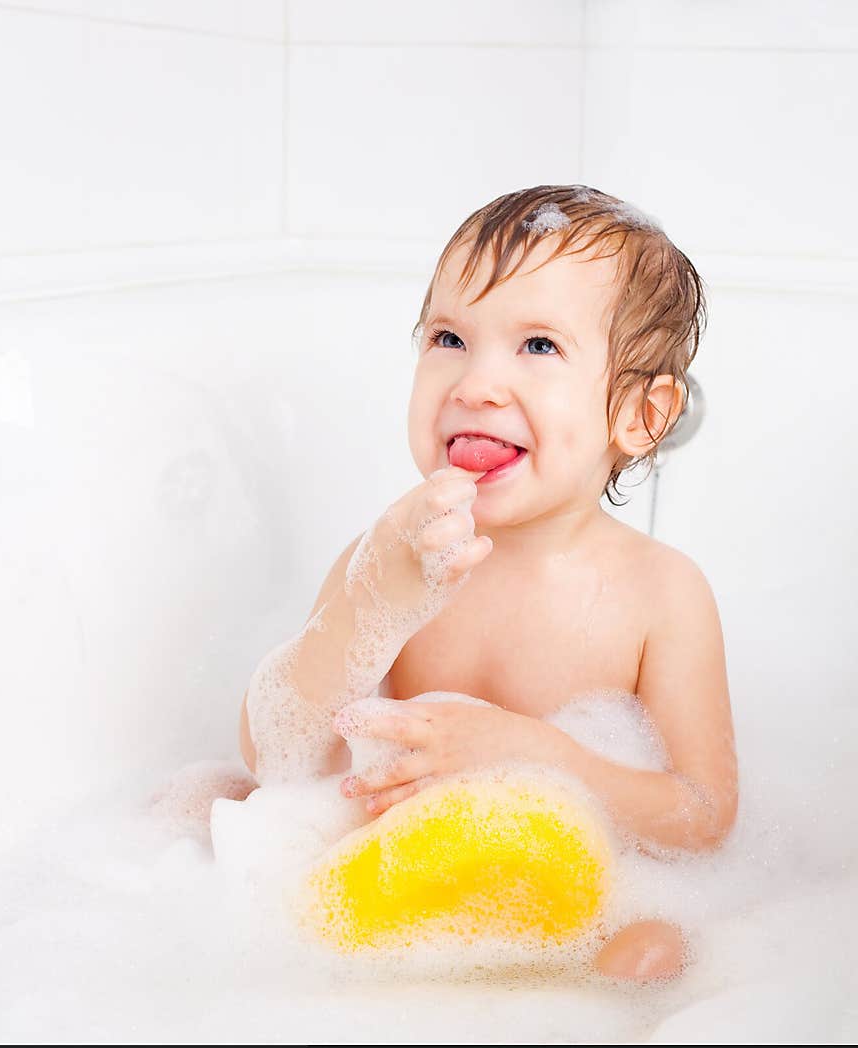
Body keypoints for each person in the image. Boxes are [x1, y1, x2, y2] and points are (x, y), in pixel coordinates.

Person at [234, 185, 738, 982]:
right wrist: (365, 607)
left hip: (569, 896)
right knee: (204, 810)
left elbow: (702, 817)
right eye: (448, 337)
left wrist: (540, 754)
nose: (474, 384)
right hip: (379, 886)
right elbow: (278, 752)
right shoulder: (388, 562)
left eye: (537, 346)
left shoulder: (661, 593)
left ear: (641, 415)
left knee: (656, 948)